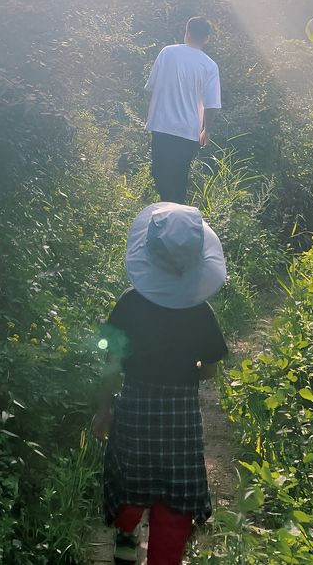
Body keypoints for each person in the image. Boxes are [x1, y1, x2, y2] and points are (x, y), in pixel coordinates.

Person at [94, 202, 228, 565]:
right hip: (180, 416)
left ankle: (126, 537)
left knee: (130, 481)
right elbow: (210, 370)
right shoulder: (200, 310)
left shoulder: (130, 303)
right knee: (176, 496)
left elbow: (113, 362)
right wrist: (191, 368)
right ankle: (164, 558)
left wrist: (103, 410)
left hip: (135, 408)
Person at [145, 17, 221, 205]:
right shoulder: (209, 65)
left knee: (160, 174)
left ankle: (166, 219)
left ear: (186, 33)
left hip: (162, 125)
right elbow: (212, 104)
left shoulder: (168, 53)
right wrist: (207, 130)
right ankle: (177, 222)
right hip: (188, 131)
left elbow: (151, 87)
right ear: (206, 38)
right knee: (178, 179)